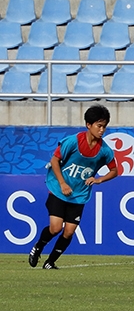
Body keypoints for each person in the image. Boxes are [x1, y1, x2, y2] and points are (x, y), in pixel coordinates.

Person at [28, 104, 118, 269]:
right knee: (55, 228)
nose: (102, 130)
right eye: (99, 125)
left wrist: (99, 180)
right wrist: (62, 183)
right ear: (88, 125)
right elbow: (54, 160)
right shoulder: (73, 142)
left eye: (104, 126)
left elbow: (114, 171)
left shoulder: (105, 150)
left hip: (79, 195)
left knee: (69, 231)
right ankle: (39, 246)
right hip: (59, 190)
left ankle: (50, 262)